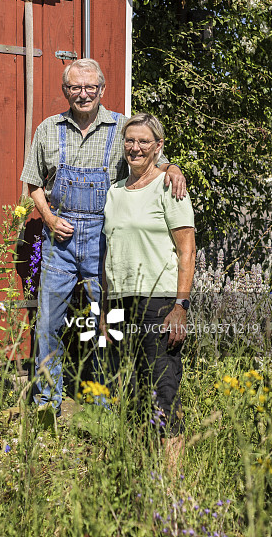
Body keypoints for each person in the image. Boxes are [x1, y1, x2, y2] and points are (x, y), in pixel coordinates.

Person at [20, 59, 186, 416]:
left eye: (90, 87)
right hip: (59, 240)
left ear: (102, 89)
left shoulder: (123, 127)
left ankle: (101, 402)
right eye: (75, 88)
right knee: (48, 322)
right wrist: (48, 217)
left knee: (103, 325)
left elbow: (154, 161)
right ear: (65, 91)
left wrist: (174, 168)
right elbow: (33, 183)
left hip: (102, 239)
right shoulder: (48, 129)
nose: (83, 94)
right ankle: (47, 401)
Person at [101, 112, 195, 471]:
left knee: (163, 390)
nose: (135, 147)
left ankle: (172, 486)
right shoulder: (115, 193)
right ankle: (144, 468)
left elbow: (187, 249)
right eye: (129, 140)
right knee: (136, 392)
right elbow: (110, 258)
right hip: (121, 303)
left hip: (159, 303)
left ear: (158, 147)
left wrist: (180, 306)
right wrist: (106, 316)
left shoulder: (170, 187)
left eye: (143, 141)